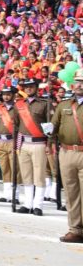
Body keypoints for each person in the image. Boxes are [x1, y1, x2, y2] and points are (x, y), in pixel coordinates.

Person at [51, 69, 83, 243]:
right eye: (78, 81)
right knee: (71, 193)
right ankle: (75, 229)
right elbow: (53, 127)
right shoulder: (64, 105)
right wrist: (48, 131)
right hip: (66, 151)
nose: (80, 85)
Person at [13, 78, 52, 216]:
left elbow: (50, 126)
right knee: (26, 175)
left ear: (36, 88)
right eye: (26, 87)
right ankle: (28, 203)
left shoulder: (45, 104)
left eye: (31, 86)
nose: (29, 89)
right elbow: (16, 125)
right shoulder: (19, 104)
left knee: (39, 174)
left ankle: (38, 205)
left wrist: (49, 143)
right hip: (24, 143)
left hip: (39, 143)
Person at [0, 86, 20, 203]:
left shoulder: (19, 108)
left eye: (8, 94)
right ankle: (6, 194)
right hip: (1, 141)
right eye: (4, 94)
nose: (6, 96)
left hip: (13, 140)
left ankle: (16, 195)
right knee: (5, 168)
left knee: (15, 168)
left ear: (13, 95)